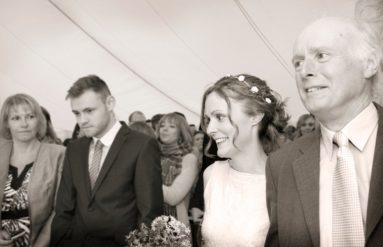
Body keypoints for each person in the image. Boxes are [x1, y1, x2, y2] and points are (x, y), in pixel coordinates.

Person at [266, 17, 383, 246]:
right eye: (298, 62)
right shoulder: (281, 164)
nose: (305, 71)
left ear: (369, 64)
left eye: (321, 55)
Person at [51, 75, 163, 247]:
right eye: (76, 113)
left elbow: (149, 215)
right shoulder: (74, 149)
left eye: (89, 111)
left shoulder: (142, 145)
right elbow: (64, 209)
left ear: (110, 103)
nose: (82, 120)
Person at [201, 74, 289, 246]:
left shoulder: (281, 181)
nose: (210, 129)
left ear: (255, 116)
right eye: (208, 120)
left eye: (219, 117)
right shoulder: (212, 174)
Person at [0, 93, 65, 247]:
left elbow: (60, 209)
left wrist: (40, 244)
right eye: (16, 118)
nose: (24, 124)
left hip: (40, 241)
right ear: (6, 123)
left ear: (39, 120)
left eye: (30, 116)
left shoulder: (59, 153)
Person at [157, 113, 199, 227]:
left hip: (175, 225)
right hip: (148, 221)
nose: (165, 129)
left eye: (172, 126)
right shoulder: (152, 154)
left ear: (181, 132)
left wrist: (145, 181)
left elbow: (174, 197)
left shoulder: (188, 158)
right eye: (162, 125)